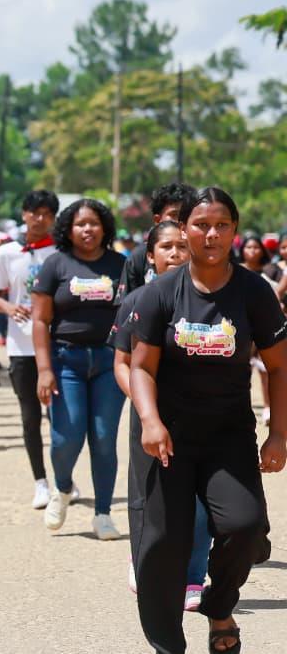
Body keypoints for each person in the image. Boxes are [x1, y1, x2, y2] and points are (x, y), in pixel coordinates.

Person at [129, 187, 287, 654]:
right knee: (164, 545)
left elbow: (279, 366)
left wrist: (278, 433)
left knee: (246, 526)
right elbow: (140, 366)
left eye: (221, 224)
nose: (211, 233)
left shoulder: (253, 292)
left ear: (235, 231)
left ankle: (219, 606)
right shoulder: (160, 292)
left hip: (228, 438)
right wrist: (149, 420)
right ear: (184, 231)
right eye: (200, 224)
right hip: (169, 439)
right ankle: (167, 645)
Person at [108, 220, 211, 610]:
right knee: (153, 497)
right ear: (150, 256)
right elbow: (121, 362)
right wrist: (145, 407)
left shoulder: (209, 297)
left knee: (201, 503)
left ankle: (192, 579)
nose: (175, 254)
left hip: (200, 416)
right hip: (150, 418)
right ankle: (144, 560)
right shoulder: (138, 300)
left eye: (182, 247)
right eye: (165, 247)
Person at [32, 198, 127, 539]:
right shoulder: (55, 265)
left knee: (103, 438)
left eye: (94, 224)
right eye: (80, 224)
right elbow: (41, 320)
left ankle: (103, 514)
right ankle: (62, 487)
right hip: (65, 361)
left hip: (108, 361)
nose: (87, 230)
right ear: (68, 230)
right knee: (66, 438)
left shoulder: (121, 265)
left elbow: (134, 314)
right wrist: (44, 369)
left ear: (105, 229)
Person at [0, 189, 60, 508]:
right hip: (20, 347)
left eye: (47, 213)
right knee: (30, 416)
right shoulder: (7, 253)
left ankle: (64, 478)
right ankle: (40, 481)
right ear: (24, 214)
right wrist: (7, 308)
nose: (40, 218)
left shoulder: (61, 253)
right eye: (35, 212)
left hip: (56, 346)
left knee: (60, 418)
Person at [119, 183, 197, 298]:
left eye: (186, 215)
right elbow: (125, 305)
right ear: (157, 219)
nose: (181, 221)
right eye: (174, 215)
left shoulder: (202, 253)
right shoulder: (139, 257)